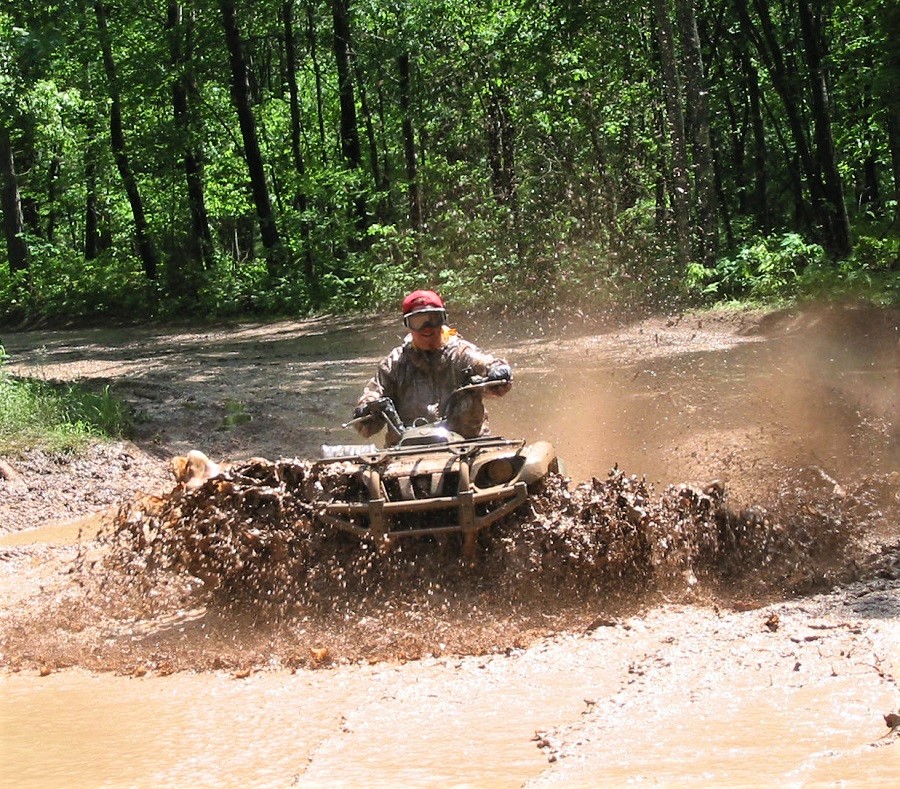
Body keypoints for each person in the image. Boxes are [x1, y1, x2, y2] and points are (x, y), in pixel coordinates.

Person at [352, 289, 513, 444]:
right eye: (418, 321)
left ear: (443, 320)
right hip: (405, 450)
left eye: (434, 319)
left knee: (506, 469)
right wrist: (367, 408)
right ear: (407, 325)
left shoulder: (461, 353)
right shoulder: (394, 363)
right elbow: (372, 399)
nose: (427, 327)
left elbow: (485, 364)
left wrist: (497, 371)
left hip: (468, 445)